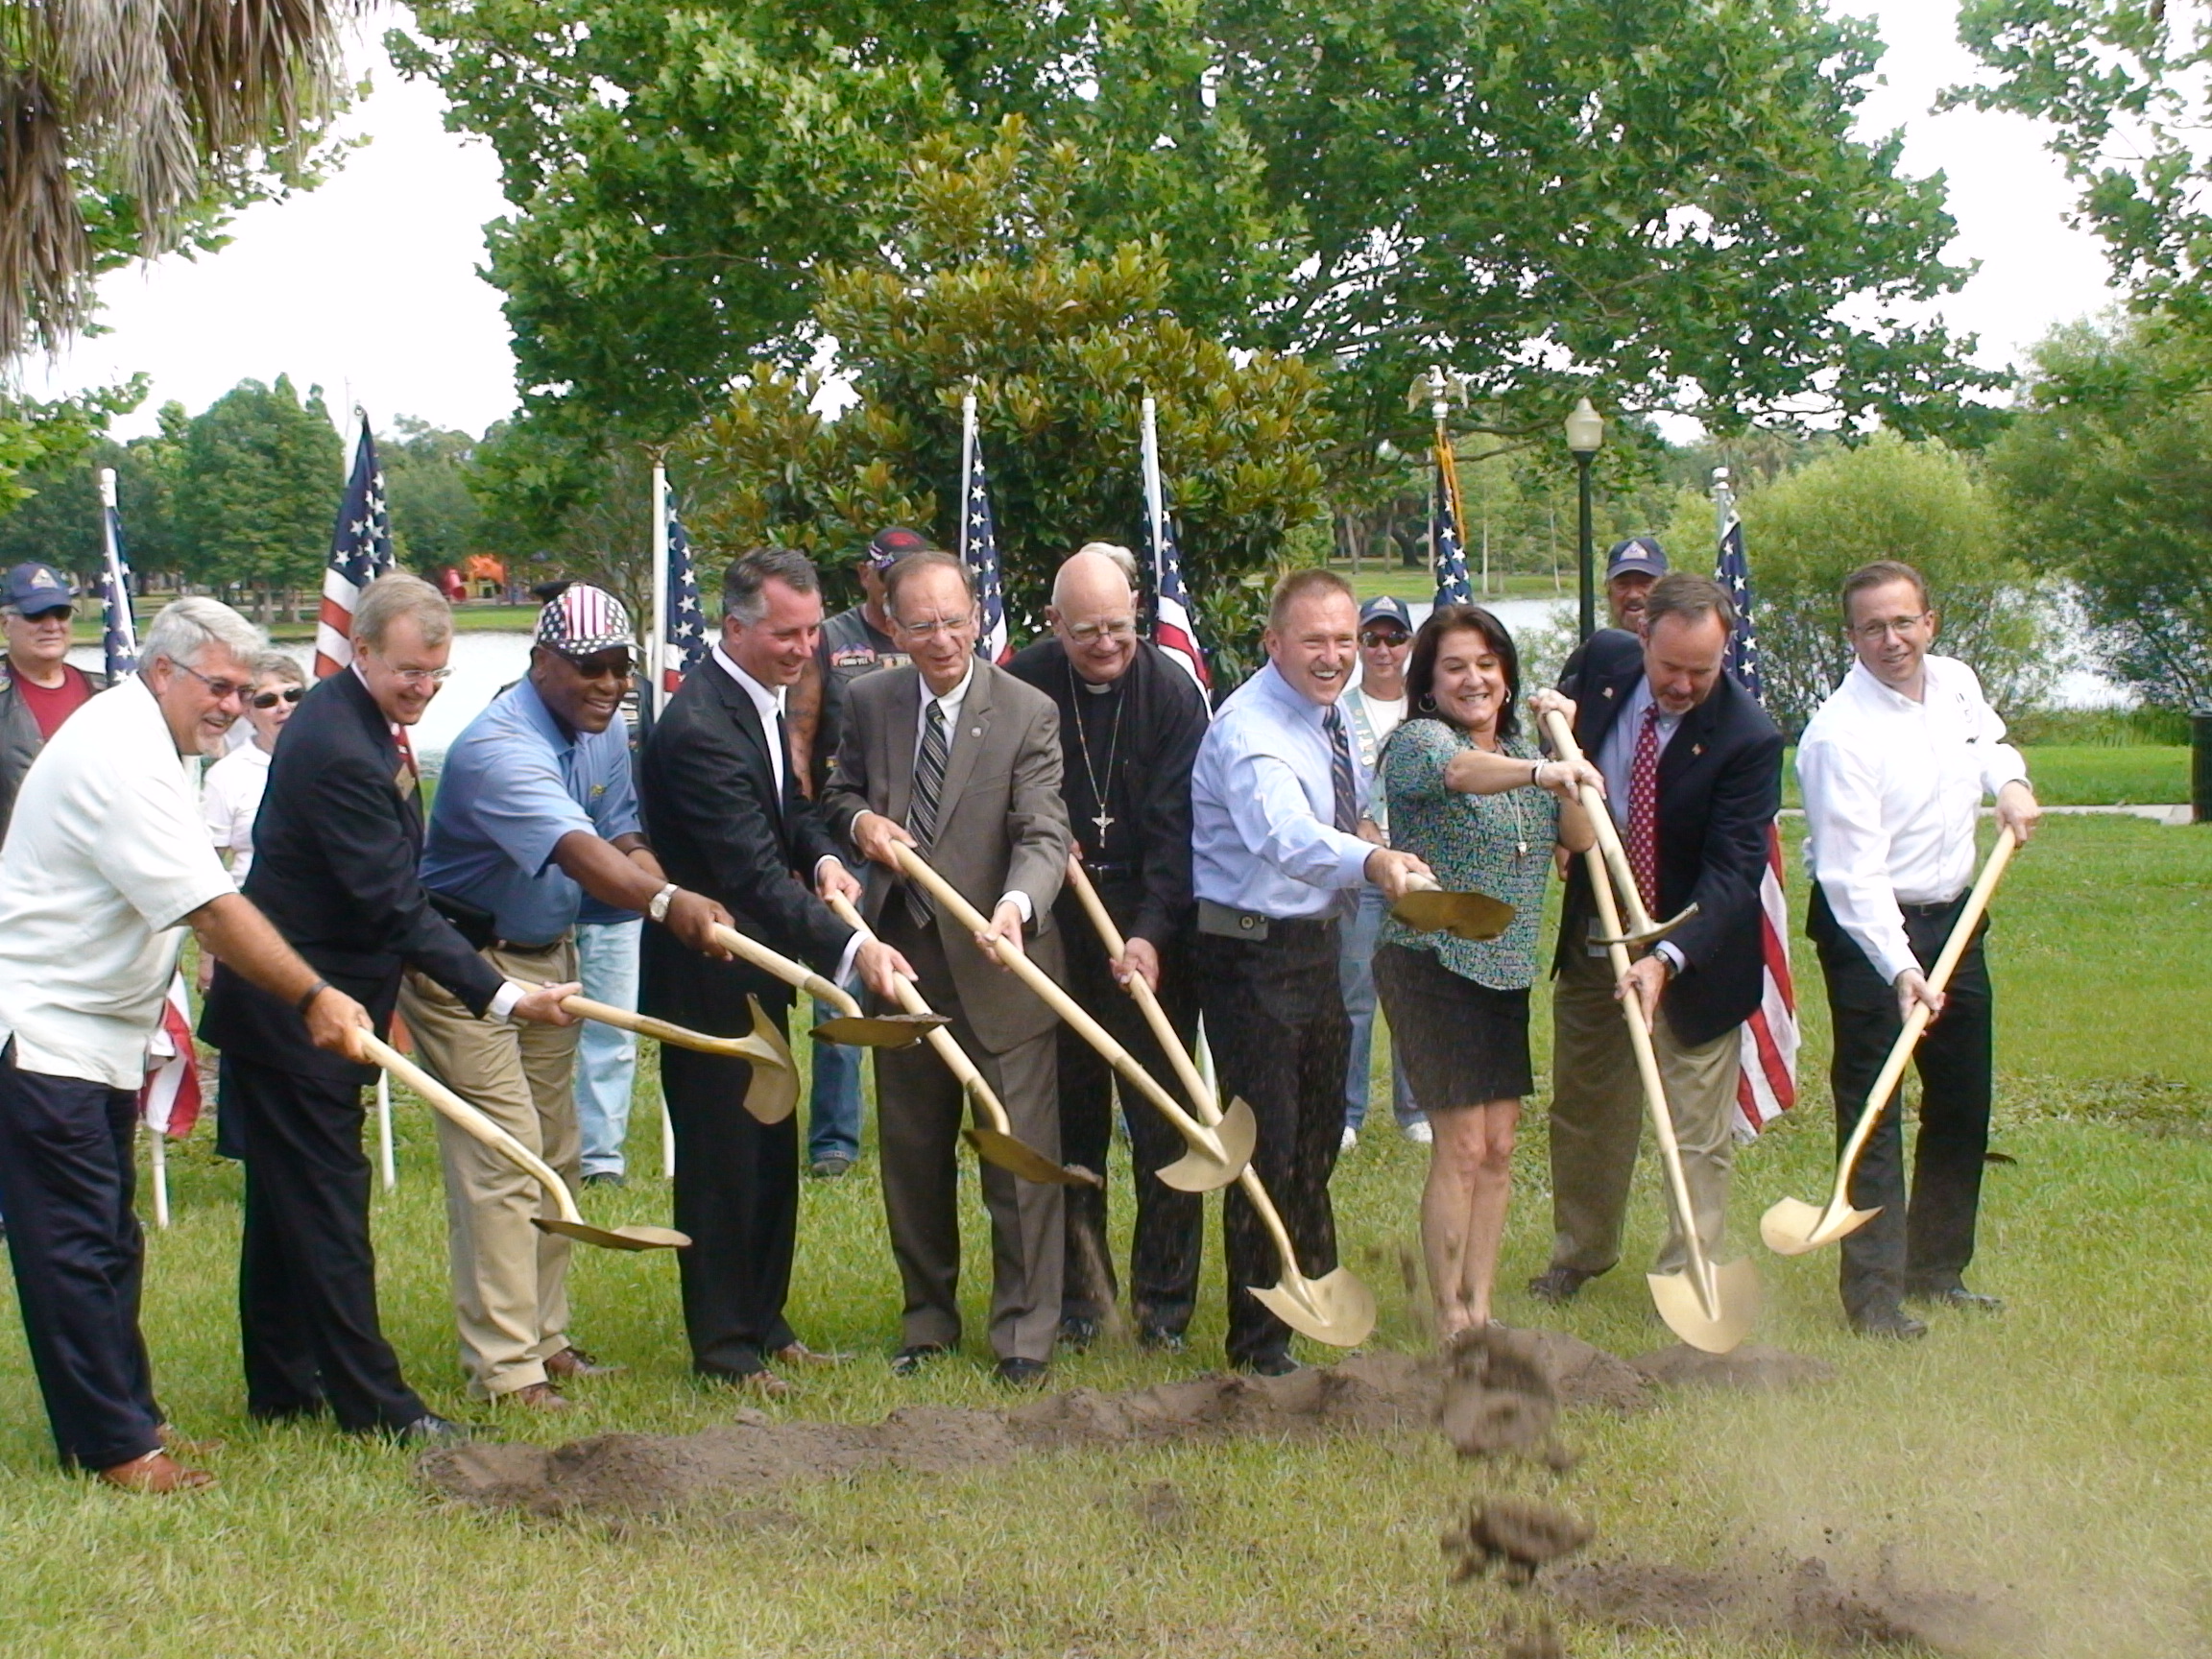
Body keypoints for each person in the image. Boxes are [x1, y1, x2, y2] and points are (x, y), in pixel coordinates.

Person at [0, 598, 375, 1492]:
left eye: (245, 691)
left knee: (108, 1241)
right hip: (45, 1032)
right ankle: (116, 1450)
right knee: (75, 1249)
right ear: (161, 670)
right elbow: (211, 908)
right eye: (218, 686)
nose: (232, 706)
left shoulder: (153, 743)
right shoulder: (122, 755)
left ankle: (130, 1425)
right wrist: (314, 995)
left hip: (95, 1034)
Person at [200, 578, 579, 1442]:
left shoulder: (360, 721)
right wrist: (506, 993)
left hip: (300, 1004)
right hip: (294, 1010)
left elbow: (397, 891)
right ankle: (377, 1408)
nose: (423, 688)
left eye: (437, 675)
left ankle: (283, 1387)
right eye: (409, 670)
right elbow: (391, 906)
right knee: (329, 1205)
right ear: (361, 650)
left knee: (287, 1204)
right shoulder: (337, 744)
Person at [403, 583, 735, 1410]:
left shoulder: (603, 733)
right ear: (541, 663)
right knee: (503, 1159)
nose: (611, 683)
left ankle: (545, 1343)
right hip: (463, 969)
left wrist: (660, 883)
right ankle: (504, 1370)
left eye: (621, 668)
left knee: (556, 1152)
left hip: (547, 962)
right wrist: (668, 903)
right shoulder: (497, 748)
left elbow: (622, 833)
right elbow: (585, 856)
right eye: (591, 667)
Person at [639, 548, 913, 1394]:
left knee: (768, 1148)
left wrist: (828, 858)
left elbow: (788, 812)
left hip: (757, 974)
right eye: (786, 634)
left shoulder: (758, 701)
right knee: (724, 1163)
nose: (805, 649)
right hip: (707, 977)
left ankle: (768, 1321)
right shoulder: (696, 727)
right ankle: (725, 1350)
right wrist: (855, 947)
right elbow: (752, 870)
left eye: (810, 632)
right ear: (734, 628)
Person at [821, 549, 1073, 1387]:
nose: (942, 640)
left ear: (979, 615)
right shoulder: (868, 700)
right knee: (913, 1154)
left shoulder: (1027, 711)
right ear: (891, 623)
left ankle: (1024, 1335)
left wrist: (1020, 906)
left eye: (955, 620)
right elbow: (838, 792)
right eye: (921, 624)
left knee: (1018, 1156)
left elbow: (1043, 830)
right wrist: (858, 823)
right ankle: (927, 1320)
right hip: (906, 965)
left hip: (1001, 960)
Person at [1189, 568, 1432, 1375]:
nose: (1332, 657)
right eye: (1313, 641)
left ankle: (1313, 1296)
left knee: (1321, 1137)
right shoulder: (1252, 729)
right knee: (1267, 1148)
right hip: (1248, 957)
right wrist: (1371, 859)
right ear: (1273, 643)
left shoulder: (1329, 719)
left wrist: (1376, 843)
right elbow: (1284, 837)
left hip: (1314, 944)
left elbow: (1339, 812)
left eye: (1343, 640)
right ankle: (1259, 1348)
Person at [1797, 560, 2041, 1338]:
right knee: (1874, 1109)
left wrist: (2009, 783)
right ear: (1852, 638)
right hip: (1869, 930)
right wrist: (1900, 967)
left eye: (1904, 622)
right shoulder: (1839, 737)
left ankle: (1937, 1270)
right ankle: (1873, 1300)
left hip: (1958, 920)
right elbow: (1851, 876)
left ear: (1929, 622)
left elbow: (1990, 743)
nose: (1892, 639)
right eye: (1873, 626)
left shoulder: (1957, 682)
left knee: (1963, 1100)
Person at [1528, 572, 1784, 1308]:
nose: (1683, 684)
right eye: (1670, 667)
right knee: (1587, 1106)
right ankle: (1580, 1253)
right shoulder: (1605, 664)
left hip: (1695, 947)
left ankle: (1687, 1272)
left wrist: (1664, 959)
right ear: (1643, 639)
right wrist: (1553, 722)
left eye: (1702, 670)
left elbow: (1736, 873)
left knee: (1695, 1126)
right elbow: (1556, 744)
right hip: (1597, 932)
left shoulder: (1749, 736)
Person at [1371, 606, 1597, 1338]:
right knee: (1462, 1144)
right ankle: (1448, 1317)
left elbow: (1582, 834)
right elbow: (1460, 774)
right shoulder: (1418, 742)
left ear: (1507, 675)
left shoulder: (1529, 756)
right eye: (1455, 666)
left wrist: (1567, 753)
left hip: (1503, 967)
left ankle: (1481, 1304)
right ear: (1430, 684)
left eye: (1487, 664)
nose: (1475, 679)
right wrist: (1541, 767)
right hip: (1432, 957)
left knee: (1500, 1146)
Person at [1008, 543, 1210, 1353]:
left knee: (1165, 1117)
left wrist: (1151, 934)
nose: (1105, 645)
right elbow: (1006, 794)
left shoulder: (1170, 692)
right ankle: (1084, 1299)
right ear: (1055, 623)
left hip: (1152, 912)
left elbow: (1180, 831)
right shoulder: (1024, 682)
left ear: (1138, 613)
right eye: (1086, 630)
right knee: (1071, 1115)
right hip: (1059, 918)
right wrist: (1041, 839)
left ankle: (1165, 1307)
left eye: (1120, 628)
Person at [786, 524, 928, 1178]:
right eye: (887, 571)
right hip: (846, 837)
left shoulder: (927, 633)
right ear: (866, 575)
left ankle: (930, 1125)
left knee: (927, 976)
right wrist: (804, 833)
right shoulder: (832, 641)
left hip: (925, 838)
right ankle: (834, 1141)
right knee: (841, 982)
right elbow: (802, 734)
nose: (897, 583)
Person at [1337, 593, 1425, 1151]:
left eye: (1394, 638)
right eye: (1372, 638)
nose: (1383, 649)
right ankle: (1346, 1113)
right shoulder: (1338, 710)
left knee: (1414, 990)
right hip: (1361, 870)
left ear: (1411, 645)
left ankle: (1416, 1107)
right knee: (1354, 991)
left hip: (1418, 870)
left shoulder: (1427, 710)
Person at [0, 561, 108, 833]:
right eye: (36, 615)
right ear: (5, 624)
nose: (52, 626)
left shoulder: (106, 694)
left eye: (60, 613)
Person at [201, 651, 304, 891]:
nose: (283, 707)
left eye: (293, 695)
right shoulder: (226, 775)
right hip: (258, 907)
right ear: (247, 711)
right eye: (267, 701)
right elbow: (209, 863)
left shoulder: (335, 758)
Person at [1601, 537, 1668, 633]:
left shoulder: (1688, 644)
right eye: (1623, 584)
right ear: (1609, 592)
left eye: (1644, 583)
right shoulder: (1598, 646)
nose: (1633, 595)